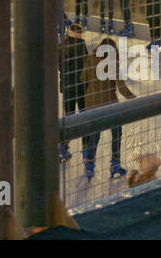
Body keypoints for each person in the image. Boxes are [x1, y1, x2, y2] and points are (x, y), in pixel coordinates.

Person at [81, 37, 136, 181]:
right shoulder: (113, 62)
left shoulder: (90, 58)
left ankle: (89, 164)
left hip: (91, 102)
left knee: (95, 134)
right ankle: (115, 162)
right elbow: (122, 87)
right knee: (116, 132)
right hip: (110, 104)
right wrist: (135, 100)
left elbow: (83, 77)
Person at [58, 22, 88, 162]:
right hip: (81, 86)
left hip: (68, 86)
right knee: (84, 116)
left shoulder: (62, 45)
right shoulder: (81, 45)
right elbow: (86, 64)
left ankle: (63, 146)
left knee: (69, 117)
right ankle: (86, 148)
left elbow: (59, 65)